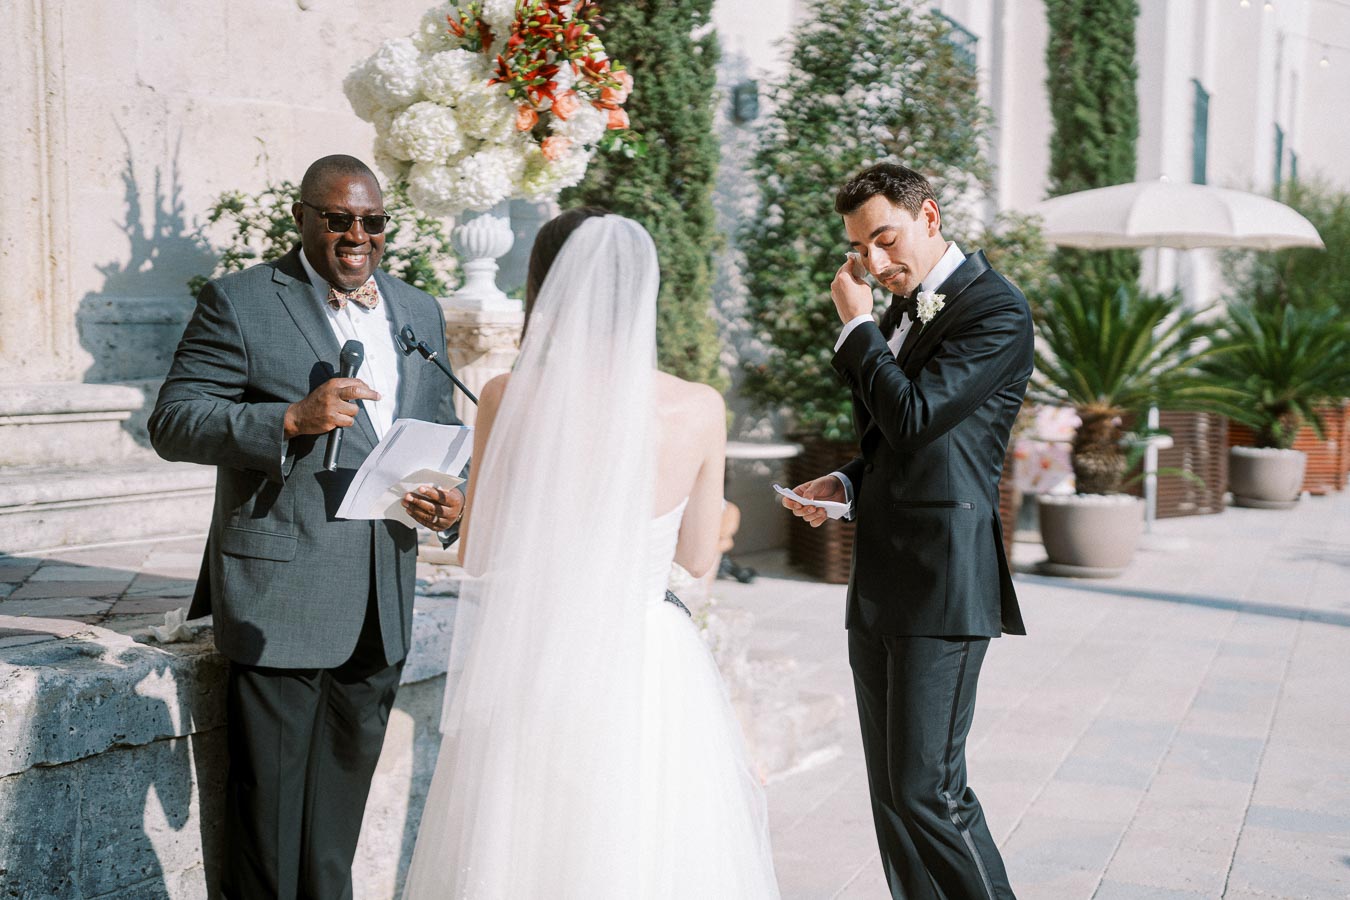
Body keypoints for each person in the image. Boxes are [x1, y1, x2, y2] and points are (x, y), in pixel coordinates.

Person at [401, 210, 779, 899]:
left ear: (544, 287)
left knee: (526, 847)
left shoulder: (507, 395)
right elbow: (697, 559)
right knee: (646, 842)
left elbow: (480, 552)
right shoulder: (699, 407)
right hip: (649, 655)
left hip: (540, 648)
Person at [149, 154, 466, 899]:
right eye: (339, 218)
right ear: (302, 218)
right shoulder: (242, 301)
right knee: (269, 826)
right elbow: (174, 420)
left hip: (381, 598)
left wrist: (449, 502)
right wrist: (288, 419)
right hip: (282, 593)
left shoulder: (418, 311)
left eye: (373, 221)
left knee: (333, 838)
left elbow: (442, 432)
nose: (358, 235)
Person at [783, 162, 1032, 899]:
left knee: (931, 791)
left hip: (944, 581)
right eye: (862, 249)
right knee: (894, 798)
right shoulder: (903, 310)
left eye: (886, 239)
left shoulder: (996, 310)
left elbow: (918, 417)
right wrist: (849, 482)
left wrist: (856, 325)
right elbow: (898, 443)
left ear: (929, 217)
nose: (876, 262)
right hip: (882, 575)